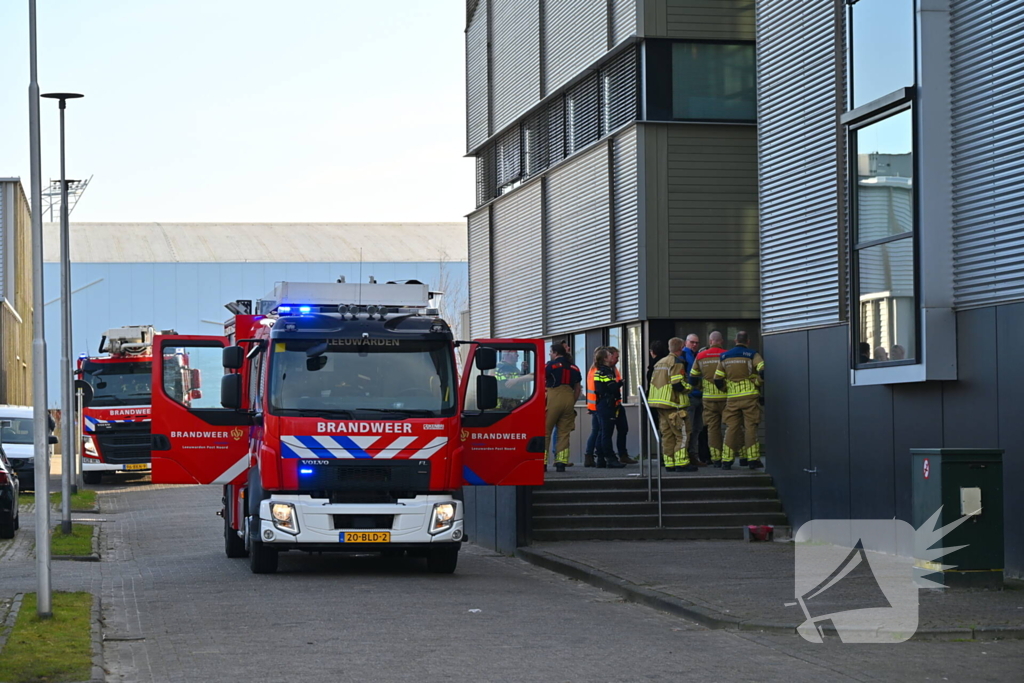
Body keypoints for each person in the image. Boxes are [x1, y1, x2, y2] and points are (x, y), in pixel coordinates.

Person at [714, 331, 765, 470]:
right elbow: (763, 370)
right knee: (750, 428)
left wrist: (728, 388)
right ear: (747, 341)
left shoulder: (724, 356)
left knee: (731, 428)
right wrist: (757, 381)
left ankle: (726, 461)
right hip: (750, 398)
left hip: (732, 399)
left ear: (735, 340)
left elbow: (717, 379)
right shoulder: (752, 354)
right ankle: (753, 460)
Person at [647, 337, 696, 472]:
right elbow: (677, 384)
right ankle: (681, 463)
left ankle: (669, 463)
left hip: (659, 404)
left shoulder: (659, 363)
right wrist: (690, 387)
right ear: (680, 348)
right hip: (674, 404)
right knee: (682, 434)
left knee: (667, 435)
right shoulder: (677, 362)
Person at [689, 330, 727, 467]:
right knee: (731, 427)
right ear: (721, 341)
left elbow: (692, 378)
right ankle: (727, 458)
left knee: (712, 429)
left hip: (708, 398)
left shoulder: (700, 356)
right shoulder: (726, 355)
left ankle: (716, 459)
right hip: (726, 397)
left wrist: (701, 386)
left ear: (710, 341)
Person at [544, 343, 582, 473]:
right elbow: (578, 388)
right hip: (569, 399)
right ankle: (561, 463)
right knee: (564, 433)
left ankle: (542, 462)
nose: (549, 354)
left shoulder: (551, 365)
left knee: (545, 431)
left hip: (553, 398)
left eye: (550, 352)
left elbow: (539, 377)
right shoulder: (575, 368)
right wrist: (572, 402)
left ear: (555, 352)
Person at [591, 348, 626, 469]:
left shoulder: (599, 371)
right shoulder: (606, 372)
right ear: (605, 358)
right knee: (606, 433)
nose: (612, 357)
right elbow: (611, 388)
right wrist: (620, 383)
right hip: (607, 404)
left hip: (601, 403)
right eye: (609, 355)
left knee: (602, 432)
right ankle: (610, 458)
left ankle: (600, 459)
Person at [606, 346, 636, 464]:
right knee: (604, 433)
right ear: (609, 356)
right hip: (607, 405)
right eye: (616, 357)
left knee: (623, 429)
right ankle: (605, 457)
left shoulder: (613, 369)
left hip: (617, 403)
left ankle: (622, 454)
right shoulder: (604, 370)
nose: (618, 359)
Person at [682, 333, 707, 466]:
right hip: (690, 397)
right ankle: (687, 455)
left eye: (697, 343)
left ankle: (692, 454)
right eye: (692, 342)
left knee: (697, 427)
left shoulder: (696, 356)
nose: (695, 345)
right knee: (689, 428)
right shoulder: (684, 356)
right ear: (686, 342)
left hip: (698, 396)